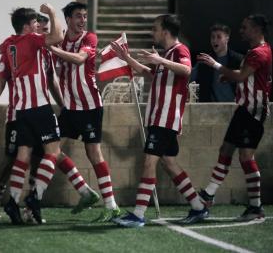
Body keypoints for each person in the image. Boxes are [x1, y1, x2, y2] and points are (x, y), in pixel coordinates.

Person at [0, 13, 99, 223]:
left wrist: (64, 106)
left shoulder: (26, 46)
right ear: (32, 28)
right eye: (40, 27)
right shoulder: (31, 42)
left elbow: (52, 80)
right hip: (23, 112)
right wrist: (53, 11)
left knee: (29, 155)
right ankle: (13, 202)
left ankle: (21, 205)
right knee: (39, 154)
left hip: (25, 111)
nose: (44, 32)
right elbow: (0, 81)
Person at [110, 14, 209, 228]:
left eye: (155, 29)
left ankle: (138, 214)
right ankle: (199, 207)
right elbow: (148, 72)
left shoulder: (179, 50)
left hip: (166, 119)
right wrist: (126, 58)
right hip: (159, 118)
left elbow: (187, 70)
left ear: (165, 31)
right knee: (170, 164)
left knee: (149, 162)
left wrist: (161, 60)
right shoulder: (168, 54)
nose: (152, 32)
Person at [49, 2, 121, 222]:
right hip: (69, 109)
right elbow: (52, 76)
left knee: (93, 154)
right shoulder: (60, 40)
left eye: (84, 16)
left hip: (90, 107)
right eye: (78, 16)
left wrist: (50, 48)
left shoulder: (89, 38)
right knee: (50, 149)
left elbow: (80, 59)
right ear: (68, 19)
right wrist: (60, 102)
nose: (82, 20)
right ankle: (85, 191)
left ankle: (111, 205)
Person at [197, 14, 272, 221]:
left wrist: (216, 66)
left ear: (256, 29)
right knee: (226, 149)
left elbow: (241, 76)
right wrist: (229, 75)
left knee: (246, 157)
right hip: (244, 108)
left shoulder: (260, 52)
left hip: (253, 111)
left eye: (245, 27)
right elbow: (246, 76)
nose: (241, 31)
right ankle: (209, 194)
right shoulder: (256, 52)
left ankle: (255, 207)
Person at [191, 24, 243, 102]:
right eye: (212, 37)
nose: (214, 40)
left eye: (219, 37)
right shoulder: (204, 61)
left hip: (235, 106)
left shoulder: (238, 59)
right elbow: (190, 78)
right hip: (211, 108)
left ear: (227, 39)